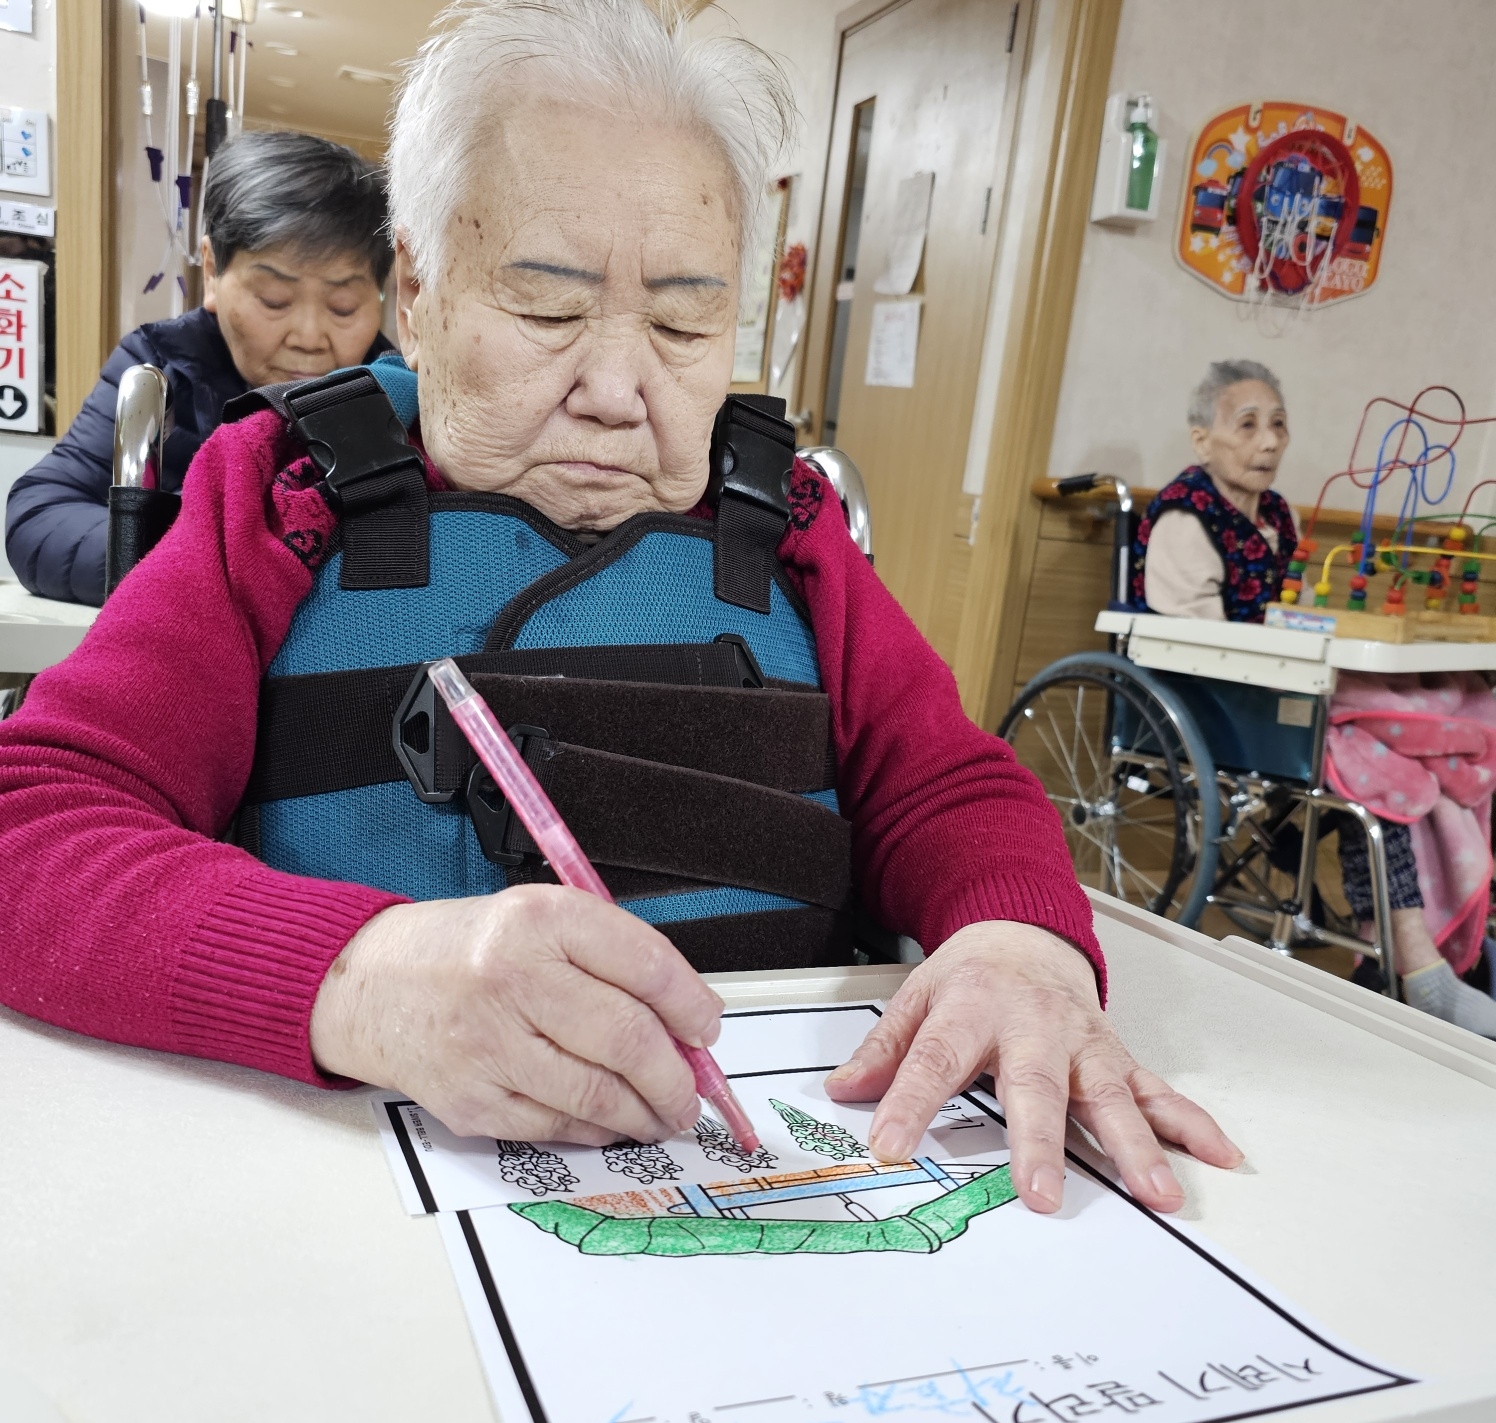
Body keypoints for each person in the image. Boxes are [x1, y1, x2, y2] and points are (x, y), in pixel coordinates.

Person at [0, 0, 1242, 1214]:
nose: (615, 385)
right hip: (370, 1193)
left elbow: (946, 785)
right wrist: (352, 975)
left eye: (684, 320)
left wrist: (1018, 942)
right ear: (418, 295)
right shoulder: (281, 500)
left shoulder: (787, 526)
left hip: (789, 1161)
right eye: (546, 308)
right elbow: (33, 822)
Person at [1135, 359, 1496, 1037]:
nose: (1270, 441)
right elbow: (1194, 640)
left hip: (1286, 685)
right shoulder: (1185, 517)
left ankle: (1443, 945)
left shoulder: (1279, 515)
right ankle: (1421, 968)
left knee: (1450, 716)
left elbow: (1288, 613)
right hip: (1224, 699)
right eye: (1248, 425)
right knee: (1376, 761)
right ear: (1202, 439)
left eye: (1278, 424)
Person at [5, 131, 394, 607]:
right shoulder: (161, 365)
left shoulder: (396, 389)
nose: (309, 337)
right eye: (274, 299)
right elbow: (42, 513)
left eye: (343, 306)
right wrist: (201, 561)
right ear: (211, 272)